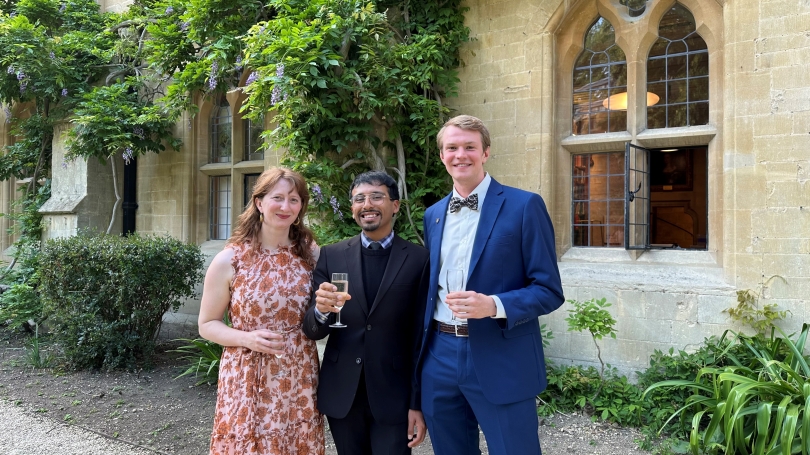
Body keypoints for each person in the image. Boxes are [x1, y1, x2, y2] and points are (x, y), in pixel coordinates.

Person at [417, 115, 565, 455]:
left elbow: (548, 290)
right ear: (442, 156)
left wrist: (494, 305)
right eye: (452, 147)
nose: (460, 155)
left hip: (501, 353)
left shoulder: (525, 206)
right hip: (439, 354)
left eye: (470, 146)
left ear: (485, 152)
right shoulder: (433, 214)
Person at [198, 167, 324, 455]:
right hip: (247, 375)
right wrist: (246, 338)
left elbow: (325, 312)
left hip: (299, 375)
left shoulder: (312, 254)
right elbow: (207, 324)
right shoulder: (230, 260)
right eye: (277, 197)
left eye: (294, 200)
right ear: (259, 203)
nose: (285, 206)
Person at [303, 171, 429, 455]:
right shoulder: (331, 255)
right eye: (359, 198)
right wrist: (321, 311)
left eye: (376, 197)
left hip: (394, 395)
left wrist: (417, 403)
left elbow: (420, 339)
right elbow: (312, 330)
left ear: (395, 205)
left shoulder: (419, 259)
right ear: (352, 208)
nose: (367, 204)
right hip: (342, 393)